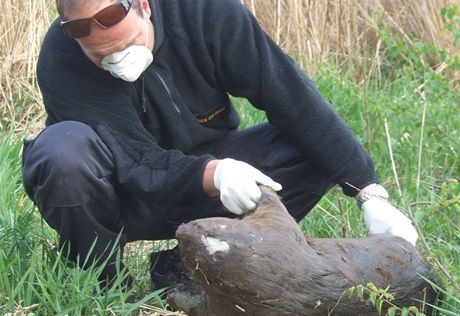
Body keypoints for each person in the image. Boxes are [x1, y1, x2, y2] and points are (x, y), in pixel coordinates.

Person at [22, 0, 418, 289]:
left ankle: (190, 267)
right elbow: (138, 161)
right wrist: (215, 173)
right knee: (62, 151)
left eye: (126, 46)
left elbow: (291, 98)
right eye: (103, 57)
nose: (118, 61)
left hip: (207, 180)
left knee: (306, 147)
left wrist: (368, 191)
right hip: (120, 193)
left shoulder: (207, 13)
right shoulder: (62, 56)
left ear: (144, 6)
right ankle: (98, 281)